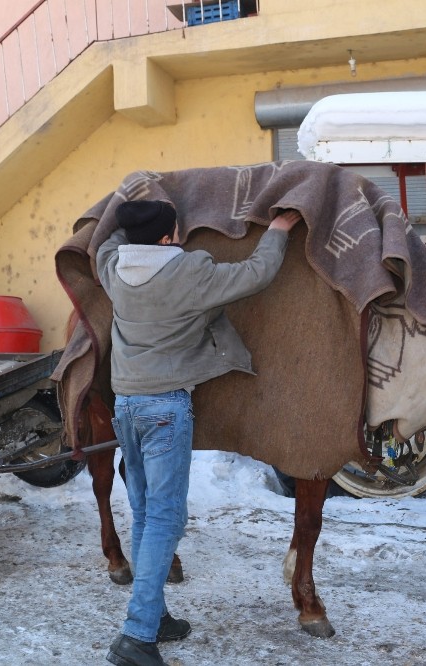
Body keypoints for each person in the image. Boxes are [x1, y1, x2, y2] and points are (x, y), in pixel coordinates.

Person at [96, 199, 303, 666]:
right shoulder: (189, 272)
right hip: (166, 408)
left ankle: (156, 615)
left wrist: (123, 201)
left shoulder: (111, 267)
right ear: (169, 238)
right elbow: (257, 274)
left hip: (126, 405)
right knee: (167, 519)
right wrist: (279, 228)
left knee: (147, 513)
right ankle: (136, 635)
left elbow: (107, 237)